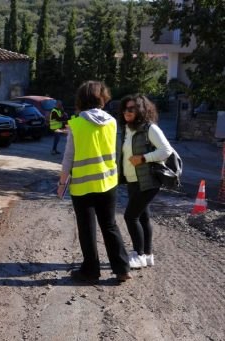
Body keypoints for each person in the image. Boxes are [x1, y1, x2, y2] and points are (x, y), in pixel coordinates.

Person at [58, 80, 131, 283]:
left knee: (87, 227)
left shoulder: (76, 124)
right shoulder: (112, 122)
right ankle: (122, 268)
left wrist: (62, 184)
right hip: (108, 182)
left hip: (82, 186)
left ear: (81, 99)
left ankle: (90, 271)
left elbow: (68, 158)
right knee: (110, 225)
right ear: (102, 98)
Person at [118, 94, 173, 269]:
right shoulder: (127, 129)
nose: (127, 111)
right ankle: (148, 255)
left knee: (130, 216)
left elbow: (166, 151)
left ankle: (138, 254)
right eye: (125, 108)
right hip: (134, 180)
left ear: (141, 110)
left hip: (148, 180)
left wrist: (143, 158)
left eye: (131, 108)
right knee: (143, 217)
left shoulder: (150, 128)